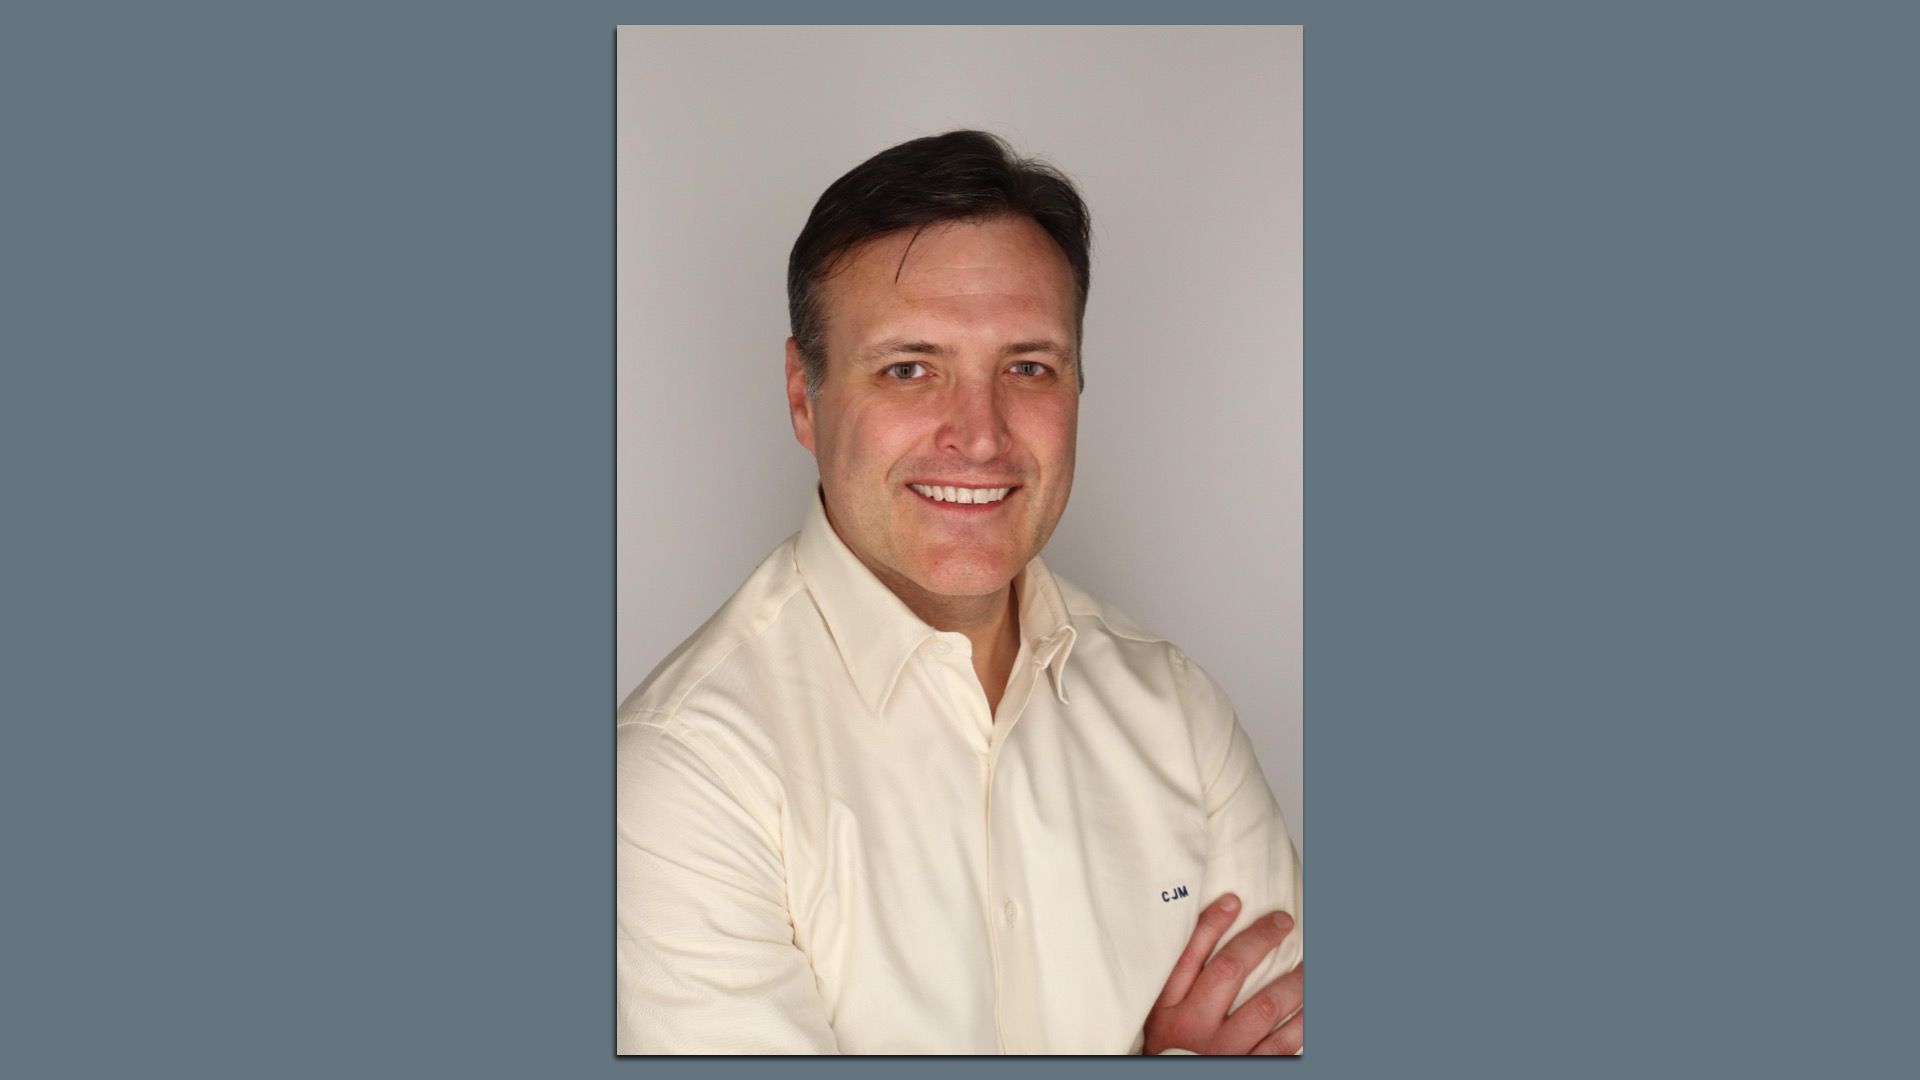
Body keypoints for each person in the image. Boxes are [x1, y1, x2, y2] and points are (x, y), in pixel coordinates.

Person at [616, 130, 1302, 1055]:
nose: (979, 436)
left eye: (1028, 367)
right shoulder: (684, 773)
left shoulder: (1176, 711)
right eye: (910, 368)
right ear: (802, 396)